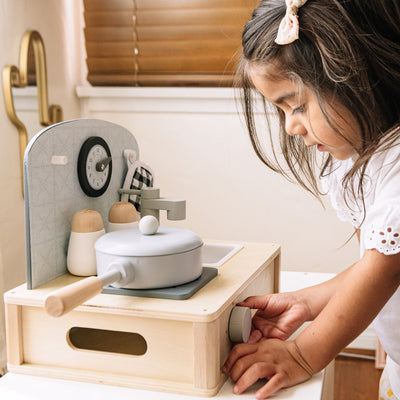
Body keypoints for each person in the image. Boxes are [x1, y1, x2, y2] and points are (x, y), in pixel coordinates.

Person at [222, 0, 400, 399]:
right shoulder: (363, 159)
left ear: (356, 75)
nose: (290, 127)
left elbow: (384, 272)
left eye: (297, 104)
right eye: (281, 110)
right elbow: (375, 265)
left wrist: (301, 355)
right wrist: (308, 300)